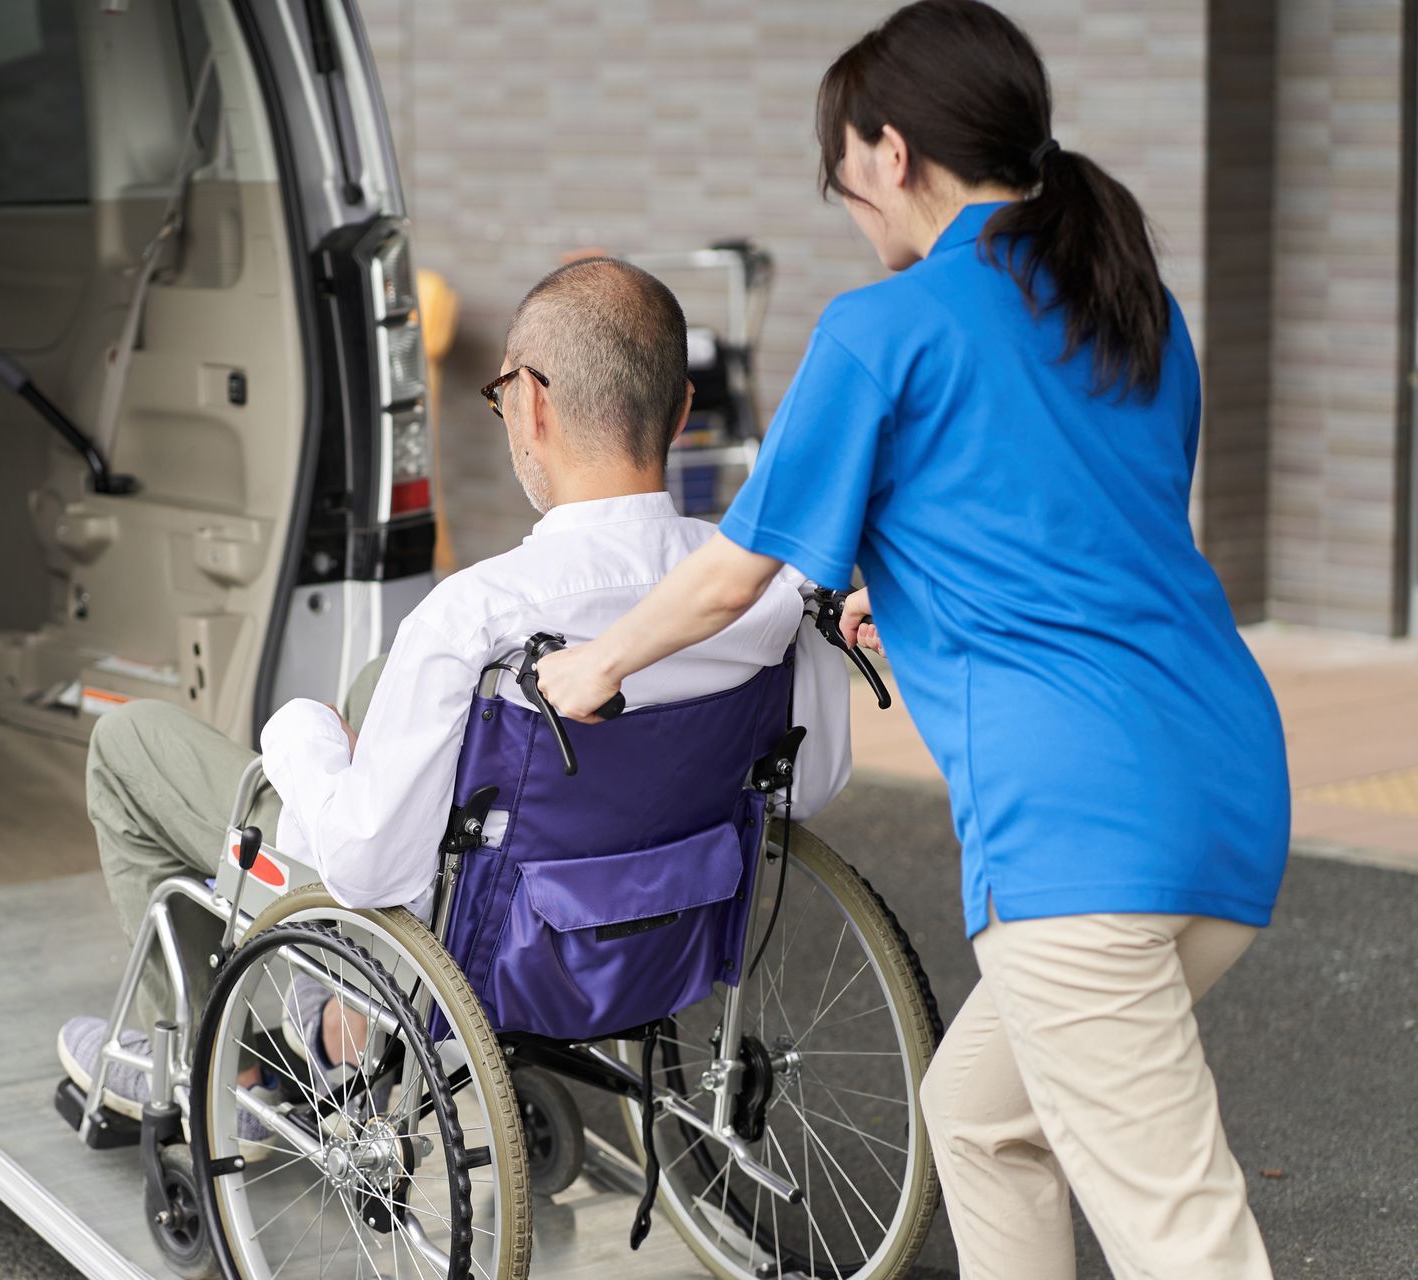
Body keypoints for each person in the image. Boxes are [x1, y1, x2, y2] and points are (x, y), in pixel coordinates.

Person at [536, 4, 1285, 1278]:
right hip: (1226, 786)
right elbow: (1083, 534)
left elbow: (729, 578)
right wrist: (923, 591)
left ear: (889, 152)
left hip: (1077, 839)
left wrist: (595, 665)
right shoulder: (1131, 304)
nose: (852, 213)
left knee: (1183, 1233)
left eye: (842, 179)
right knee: (980, 1118)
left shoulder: (884, 328)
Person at [60, 257, 854, 1126]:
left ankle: (230, 1074)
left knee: (130, 744)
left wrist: (300, 738)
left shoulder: (479, 614)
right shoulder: (769, 593)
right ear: (681, 411)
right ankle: (319, 1021)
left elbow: (369, 866)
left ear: (530, 404)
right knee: (377, 686)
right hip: (658, 921)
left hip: (461, 942)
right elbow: (803, 789)